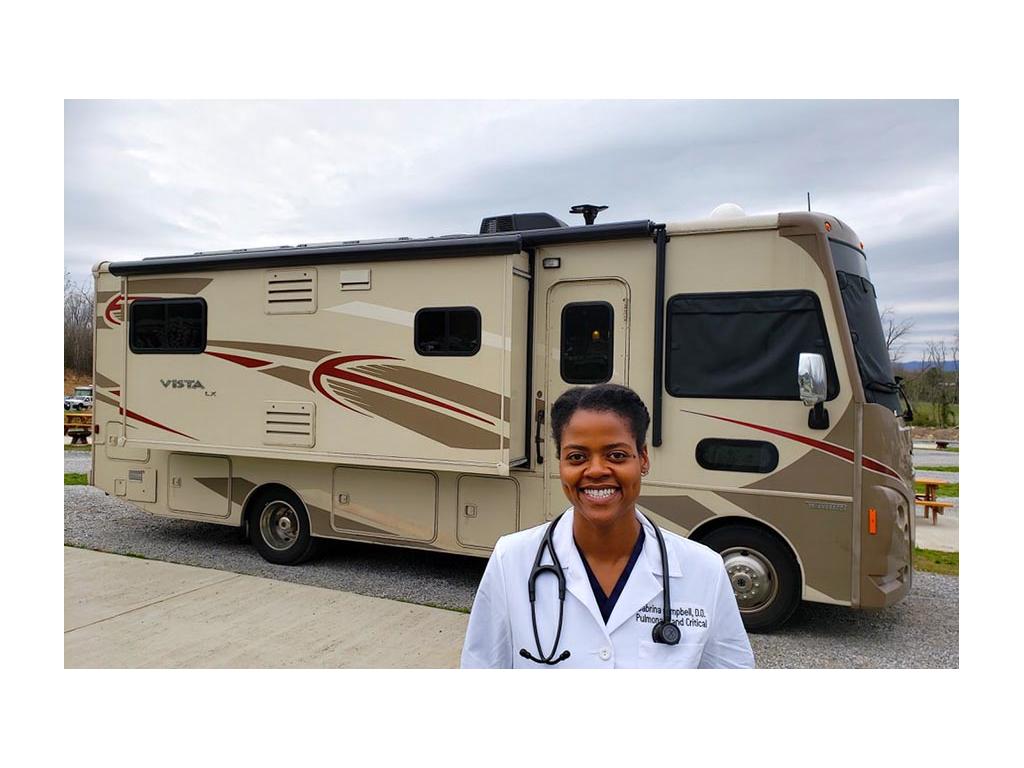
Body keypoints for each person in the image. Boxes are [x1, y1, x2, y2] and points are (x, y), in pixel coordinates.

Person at [460, 383, 754, 668]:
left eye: (616, 455)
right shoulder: (511, 560)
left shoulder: (704, 571)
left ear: (643, 459)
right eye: (577, 457)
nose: (597, 470)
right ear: (560, 464)